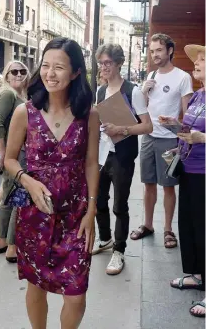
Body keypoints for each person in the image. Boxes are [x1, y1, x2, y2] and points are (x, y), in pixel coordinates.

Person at [5, 37, 100, 328]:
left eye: (59, 67)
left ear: (75, 73)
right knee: (37, 285)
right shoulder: (25, 112)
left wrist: (91, 212)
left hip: (75, 216)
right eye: (45, 65)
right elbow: (9, 160)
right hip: (35, 215)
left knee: (76, 295)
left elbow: (91, 163)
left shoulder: (88, 114)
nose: (50, 73)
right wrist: (28, 182)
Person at [92, 43, 153, 275]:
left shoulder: (132, 91)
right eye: (101, 63)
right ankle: (105, 238)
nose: (104, 67)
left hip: (123, 156)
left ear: (119, 63)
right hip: (102, 154)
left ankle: (119, 250)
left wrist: (122, 129)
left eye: (108, 63)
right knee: (98, 201)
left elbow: (147, 126)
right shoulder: (100, 91)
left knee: (119, 205)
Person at [131, 34, 193, 248]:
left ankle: (168, 229)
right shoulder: (151, 75)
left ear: (169, 51)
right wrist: (144, 92)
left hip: (169, 140)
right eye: (152, 51)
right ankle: (148, 225)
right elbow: (143, 110)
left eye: (159, 50)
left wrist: (177, 125)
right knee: (148, 184)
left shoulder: (182, 77)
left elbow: (188, 115)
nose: (155, 55)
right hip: (148, 138)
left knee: (168, 187)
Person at [159, 44, 205, 318]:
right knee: (188, 224)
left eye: (201, 59)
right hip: (189, 169)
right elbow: (190, 129)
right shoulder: (199, 95)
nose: (196, 63)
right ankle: (196, 275)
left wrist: (201, 139)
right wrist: (177, 132)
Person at [0, 60, 30, 262]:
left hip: (15, 154)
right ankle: (13, 247)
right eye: (13, 71)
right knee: (19, 200)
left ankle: (1, 241)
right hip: (17, 155)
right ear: (6, 75)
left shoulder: (19, 96)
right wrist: (5, 153)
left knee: (8, 196)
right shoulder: (8, 94)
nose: (18, 74)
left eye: (22, 71)